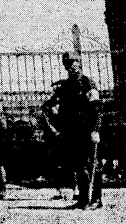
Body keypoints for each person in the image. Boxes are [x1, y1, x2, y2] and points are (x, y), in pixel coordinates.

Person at [42, 51, 103, 210]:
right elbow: (48, 105)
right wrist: (53, 111)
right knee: (78, 166)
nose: (72, 66)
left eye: (74, 63)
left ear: (79, 63)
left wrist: (95, 130)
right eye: (68, 64)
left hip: (87, 131)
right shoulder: (65, 86)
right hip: (72, 132)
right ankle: (83, 199)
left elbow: (96, 108)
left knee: (92, 165)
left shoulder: (88, 83)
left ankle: (95, 199)